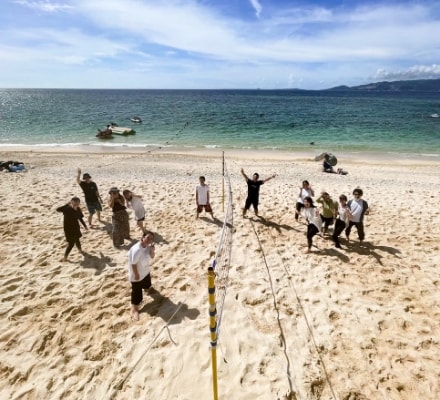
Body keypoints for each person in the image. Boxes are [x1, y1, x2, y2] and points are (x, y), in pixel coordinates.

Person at [127, 231, 156, 320]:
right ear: (143, 237)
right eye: (148, 237)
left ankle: (147, 289)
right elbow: (133, 264)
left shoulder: (148, 247)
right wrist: (136, 275)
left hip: (146, 271)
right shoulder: (137, 250)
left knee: (147, 285)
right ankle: (135, 310)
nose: (149, 240)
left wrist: (152, 250)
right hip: (137, 275)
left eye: (151, 239)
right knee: (136, 293)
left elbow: (152, 257)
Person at [57, 197, 88, 261]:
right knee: (71, 243)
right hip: (68, 229)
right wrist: (66, 204)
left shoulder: (78, 209)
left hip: (76, 227)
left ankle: (80, 250)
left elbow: (80, 218)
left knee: (77, 239)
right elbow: (58, 209)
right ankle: (65, 257)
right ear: (72, 202)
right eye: (75, 202)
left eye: (77, 202)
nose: (76, 204)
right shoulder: (67, 209)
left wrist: (85, 226)